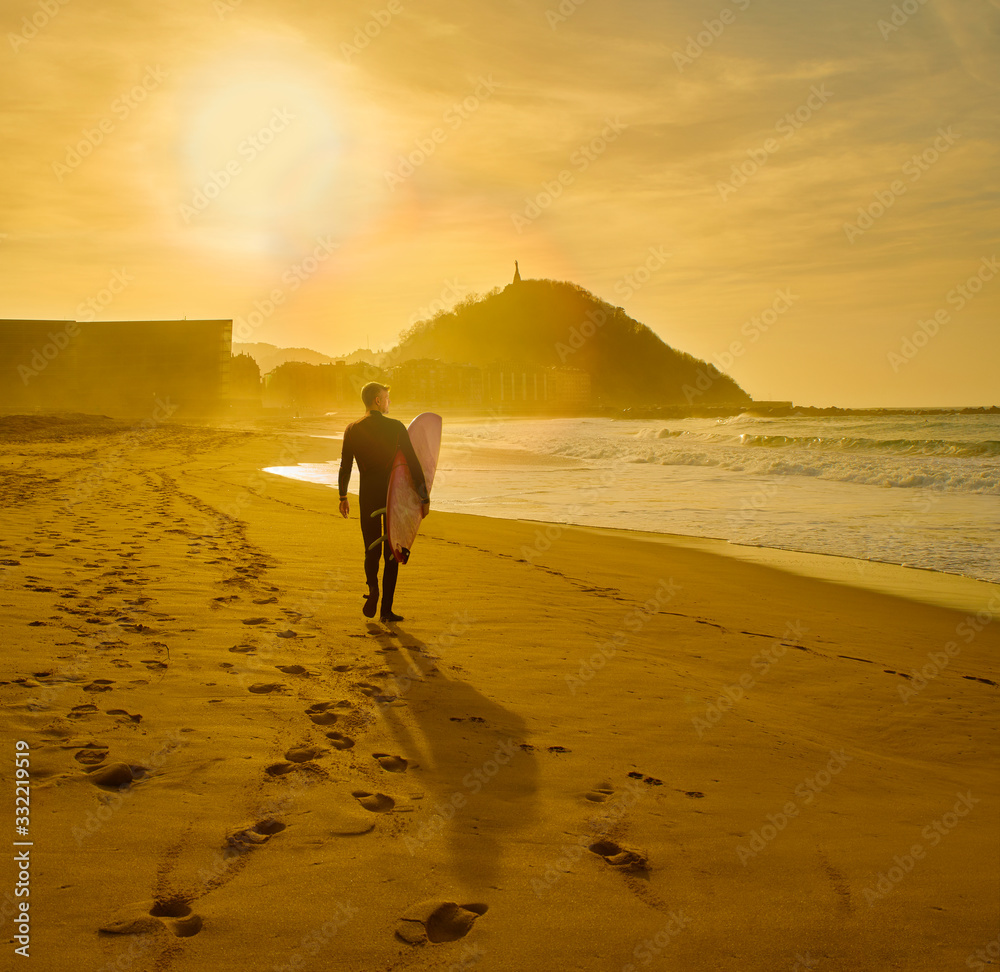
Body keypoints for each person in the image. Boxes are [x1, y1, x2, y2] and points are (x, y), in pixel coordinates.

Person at [338, 382, 428, 622]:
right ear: (377, 401)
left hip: (367, 496)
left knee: (371, 549)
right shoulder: (396, 428)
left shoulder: (352, 429)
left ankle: (372, 588)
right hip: (392, 498)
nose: (389, 402)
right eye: (387, 398)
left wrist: (342, 496)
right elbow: (413, 464)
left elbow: (345, 466)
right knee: (392, 552)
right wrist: (423, 496)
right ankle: (386, 611)